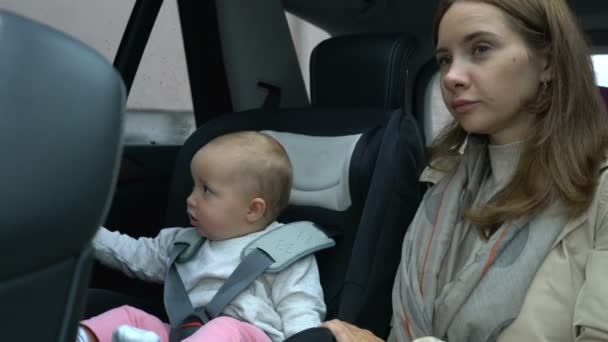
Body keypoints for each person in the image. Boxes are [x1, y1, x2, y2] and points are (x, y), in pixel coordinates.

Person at [321, 0, 608, 341]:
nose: (452, 77)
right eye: (444, 60)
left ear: (548, 61)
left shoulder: (600, 192)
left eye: (481, 49)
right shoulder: (440, 187)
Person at [77, 131, 326, 342]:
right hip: (190, 334)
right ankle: (81, 336)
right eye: (193, 186)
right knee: (130, 316)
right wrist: (86, 231)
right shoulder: (184, 244)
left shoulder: (283, 251)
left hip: (247, 336)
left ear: (253, 209)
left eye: (206, 190)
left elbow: (301, 310)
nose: (191, 199)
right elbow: (132, 254)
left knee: (224, 328)